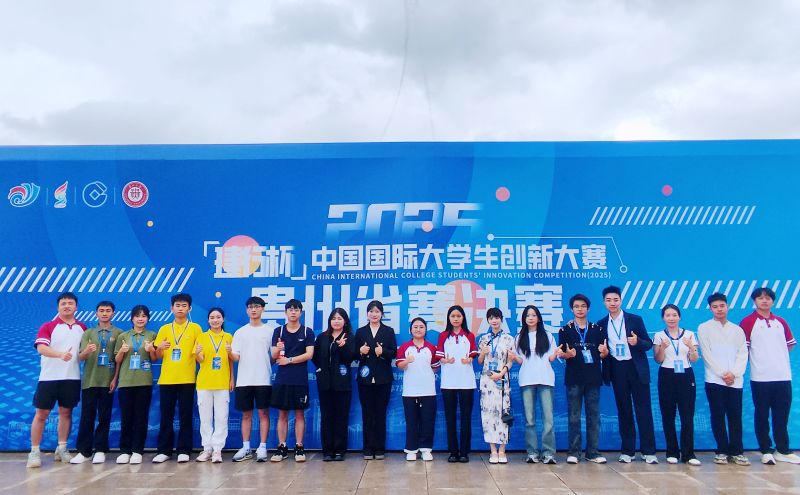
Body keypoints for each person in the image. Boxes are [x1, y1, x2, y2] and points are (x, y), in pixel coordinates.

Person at [739, 287, 800, 465]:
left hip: (783, 376)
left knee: (782, 415)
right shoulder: (748, 322)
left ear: (772, 301)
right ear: (754, 301)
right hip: (760, 377)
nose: (764, 301)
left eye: (767, 298)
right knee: (762, 414)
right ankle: (765, 450)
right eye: (760, 298)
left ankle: (783, 450)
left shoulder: (781, 322)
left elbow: (790, 345)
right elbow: (744, 349)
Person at [598, 286, 657, 464]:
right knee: (624, 410)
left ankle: (648, 451)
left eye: (615, 300)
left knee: (643, 409)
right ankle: (628, 451)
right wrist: (603, 353)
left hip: (636, 368)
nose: (612, 303)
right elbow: (601, 350)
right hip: (617, 369)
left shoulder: (635, 319)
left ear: (621, 300)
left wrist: (637, 341)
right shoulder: (601, 324)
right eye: (609, 300)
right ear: (604, 302)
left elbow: (648, 344)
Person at [28, 292, 86, 468]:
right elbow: (41, 348)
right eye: (63, 303)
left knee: (66, 413)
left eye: (70, 303)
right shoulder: (48, 326)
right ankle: (34, 451)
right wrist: (60, 354)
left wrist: (87, 353)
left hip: (72, 378)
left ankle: (62, 448)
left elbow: (81, 355)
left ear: (76, 307)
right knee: (41, 414)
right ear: (58, 307)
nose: (67, 306)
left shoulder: (82, 328)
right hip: (49, 378)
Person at [697, 292, 750, 466]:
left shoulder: (737, 330)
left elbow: (743, 353)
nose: (719, 309)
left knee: (735, 416)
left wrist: (734, 373)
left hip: (735, 381)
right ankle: (721, 450)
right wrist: (722, 373)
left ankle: (737, 451)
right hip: (714, 380)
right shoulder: (704, 328)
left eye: (722, 306)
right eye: (715, 307)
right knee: (718, 414)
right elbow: (706, 354)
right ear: (710, 309)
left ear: (728, 307)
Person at [558, 294, 608, 464]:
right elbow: (562, 354)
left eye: (583, 306)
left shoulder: (597, 329)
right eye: (576, 306)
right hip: (574, 378)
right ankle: (574, 452)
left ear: (588, 308)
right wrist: (567, 354)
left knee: (594, 416)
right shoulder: (565, 330)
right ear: (571, 309)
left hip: (593, 377)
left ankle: (592, 452)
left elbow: (604, 353)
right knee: (574, 417)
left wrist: (604, 352)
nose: (580, 309)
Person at [152, 293, 202, 463]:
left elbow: (198, 354)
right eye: (177, 305)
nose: (180, 308)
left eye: (184, 306)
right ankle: (164, 450)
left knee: (186, 415)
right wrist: (160, 347)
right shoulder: (164, 329)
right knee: (166, 415)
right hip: (167, 379)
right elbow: (157, 356)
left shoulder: (195, 328)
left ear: (190, 308)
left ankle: (184, 450)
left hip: (187, 379)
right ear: (171, 308)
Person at [70, 301, 122, 464]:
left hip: (107, 381)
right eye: (101, 310)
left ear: (113, 313)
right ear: (96, 313)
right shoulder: (89, 333)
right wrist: (86, 351)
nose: (105, 313)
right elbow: (80, 357)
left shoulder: (119, 333)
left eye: (108, 310)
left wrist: (115, 378)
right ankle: (84, 451)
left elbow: (119, 360)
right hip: (90, 381)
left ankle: (100, 450)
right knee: (87, 416)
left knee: (104, 416)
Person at [653, 304, 701, 466]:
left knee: (687, 415)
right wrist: (663, 348)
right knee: (668, 415)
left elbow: (694, 359)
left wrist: (691, 347)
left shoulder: (689, 334)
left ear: (679, 317)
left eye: (674, 315)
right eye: (668, 315)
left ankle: (689, 454)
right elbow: (658, 359)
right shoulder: (659, 336)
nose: (671, 318)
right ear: (663, 318)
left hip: (686, 375)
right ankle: (672, 452)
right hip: (666, 375)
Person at [512, 304, 558, 464]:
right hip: (527, 380)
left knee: (548, 419)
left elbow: (551, 358)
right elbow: (520, 360)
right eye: (527, 315)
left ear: (538, 318)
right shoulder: (519, 337)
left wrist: (557, 354)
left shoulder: (548, 335)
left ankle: (548, 453)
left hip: (546, 379)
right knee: (530, 419)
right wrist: (513, 357)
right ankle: (532, 452)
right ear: (524, 319)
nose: (530, 318)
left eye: (533, 315)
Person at [230, 296, 275, 462]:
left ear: (263, 309)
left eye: (257, 306)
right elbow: (235, 357)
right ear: (247, 310)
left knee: (263, 413)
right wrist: (228, 352)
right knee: (246, 415)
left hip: (263, 379)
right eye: (250, 307)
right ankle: (246, 447)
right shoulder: (240, 332)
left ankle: (262, 447)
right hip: (244, 380)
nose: (253, 310)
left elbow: (274, 355)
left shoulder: (270, 331)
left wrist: (265, 363)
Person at [270, 299, 315, 462]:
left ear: (301, 312)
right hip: (282, 379)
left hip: (299, 379)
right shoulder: (279, 331)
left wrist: (289, 360)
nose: (293, 312)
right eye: (290, 309)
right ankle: (282, 447)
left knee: (299, 414)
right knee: (282, 414)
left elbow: (309, 354)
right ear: (285, 312)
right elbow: (273, 356)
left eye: (296, 310)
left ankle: (299, 447)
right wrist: (278, 349)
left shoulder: (307, 332)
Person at [114, 305, 157, 464]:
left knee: (141, 417)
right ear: (132, 318)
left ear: (147, 319)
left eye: (144, 316)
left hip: (144, 381)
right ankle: (125, 450)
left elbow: (154, 359)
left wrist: (151, 349)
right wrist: (122, 351)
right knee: (126, 417)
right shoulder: (123, 336)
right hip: (126, 381)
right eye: (137, 316)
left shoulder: (152, 335)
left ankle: (138, 450)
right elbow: (117, 360)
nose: (140, 319)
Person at [355, 300, 397, 460]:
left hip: (383, 378)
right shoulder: (360, 332)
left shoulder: (388, 331)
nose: (374, 314)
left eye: (377, 311)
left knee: (380, 413)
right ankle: (368, 448)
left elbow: (393, 353)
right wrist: (360, 351)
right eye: (371, 311)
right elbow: (353, 354)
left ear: (382, 314)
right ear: (367, 314)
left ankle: (380, 448)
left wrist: (383, 351)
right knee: (367, 414)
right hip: (365, 379)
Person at [436, 305, 478, 463]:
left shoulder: (469, 335)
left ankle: (464, 452)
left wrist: (469, 359)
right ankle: (453, 452)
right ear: (448, 318)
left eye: (458, 316)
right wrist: (445, 360)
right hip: (448, 382)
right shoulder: (443, 336)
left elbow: (473, 353)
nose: (455, 319)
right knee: (450, 417)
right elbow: (439, 355)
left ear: (463, 318)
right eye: (453, 316)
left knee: (466, 418)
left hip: (466, 381)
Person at [313, 308, 356, 461]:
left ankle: (339, 450)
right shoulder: (322, 337)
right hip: (325, 383)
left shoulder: (350, 338)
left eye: (339, 318)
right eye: (334, 318)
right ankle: (327, 450)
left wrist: (342, 347)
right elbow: (315, 357)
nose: (336, 321)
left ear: (345, 321)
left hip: (342, 384)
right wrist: (322, 369)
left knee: (341, 417)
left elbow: (350, 358)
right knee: (326, 417)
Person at [194, 308, 234, 463]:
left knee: (221, 417)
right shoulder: (202, 337)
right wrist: (197, 353)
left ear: (223, 319)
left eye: (218, 317)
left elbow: (231, 360)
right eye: (212, 317)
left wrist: (232, 379)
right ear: (208, 320)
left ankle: (217, 449)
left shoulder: (228, 337)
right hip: (204, 383)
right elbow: (201, 360)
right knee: (205, 419)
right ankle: (207, 449)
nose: (215, 320)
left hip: (222, 383)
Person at [397, 317, 439, 461]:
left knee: (427, 420)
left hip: (428, 390)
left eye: (421, 327)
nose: (418, 329)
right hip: (410, 391)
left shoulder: (431, 348)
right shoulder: (405, 347)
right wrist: (407, 361)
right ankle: (411, 450)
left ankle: (426, 449)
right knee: (411, 421)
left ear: (425, 330)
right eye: (415, 327)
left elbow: (435, 367)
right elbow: (400, 366)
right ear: (410, 330)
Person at [477, 308, 515, 464]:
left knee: (502, 413)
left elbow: (510, 361)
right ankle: (493, 450)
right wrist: (483, 352)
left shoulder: (508, 339)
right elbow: (480, 361)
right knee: (488, 415)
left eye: (497, 317)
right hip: (487, 382)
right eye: (491, 318)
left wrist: (502, 373)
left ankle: (502, 451)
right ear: (487, 320)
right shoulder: (483, 339)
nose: (494, 320)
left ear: (501, 319)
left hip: (502, 380)